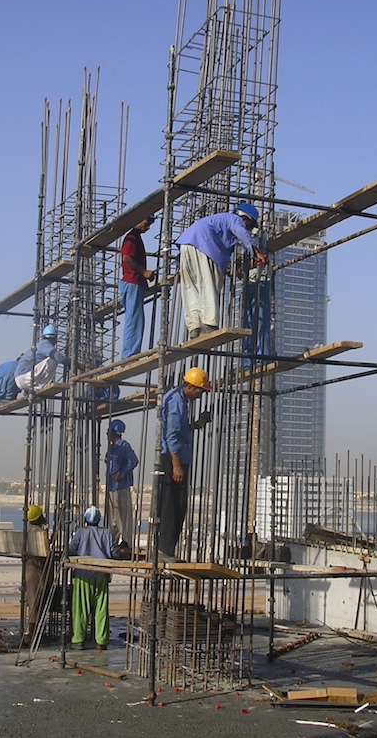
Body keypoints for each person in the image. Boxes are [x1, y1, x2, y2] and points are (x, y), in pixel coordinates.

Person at [176, 202, 268, 340]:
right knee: (208, 284)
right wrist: (256, 252)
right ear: (245, 218)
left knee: (191, 288)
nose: (248, 229)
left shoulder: (219, 223)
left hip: (186, 245)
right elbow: (241, 232)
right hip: (203, 244)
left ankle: (194, 326)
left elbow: (223, 253)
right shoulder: (234, 219)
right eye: (249, 226)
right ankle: (209, 324)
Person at [155, 367, 212, 561]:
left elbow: (180, 430)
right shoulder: (176, 402)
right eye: (200, 391)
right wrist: (177, 465)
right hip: (174, 459)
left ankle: (167, 549)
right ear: (190, 386)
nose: (200, 395)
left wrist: (196, 424)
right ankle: (164, 550)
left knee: (177, 505)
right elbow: (171, 436)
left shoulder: (179, 400)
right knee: (173, 505)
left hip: (176, 457)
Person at [67, 506, 117, 650]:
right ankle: (101, 641)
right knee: (101, 609)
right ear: (99, 519)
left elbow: (71, 550)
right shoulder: (106, 533)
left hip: (83, 576)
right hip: (101, 575)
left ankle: (78, 639)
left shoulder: (81, 533)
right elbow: (114, 552)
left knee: (81, 609)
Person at [119, 215, 156, 358]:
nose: (147, 228)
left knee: (136, 319)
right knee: (134, 319)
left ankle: (130, 353)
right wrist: (144, 272)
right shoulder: (132, 238)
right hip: (132, 282)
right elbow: (127, 258)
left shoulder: (135, 238)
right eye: (146, 224)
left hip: (134, 282)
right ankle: (129, 354)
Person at [104, 419, 138, 557]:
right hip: (112, 486)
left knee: (122, 514)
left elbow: (133, 460)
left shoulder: (124, 446)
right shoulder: (112, 448)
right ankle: (113, 538)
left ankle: (126, 540)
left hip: (120, 486)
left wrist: (122, 474)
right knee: (113, 516)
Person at [22, 505, 51, 640]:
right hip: (36, 571)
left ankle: (34, 633)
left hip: (29, 570)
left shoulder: (27, 532)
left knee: (33, 602)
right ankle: (33, 635)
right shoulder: (39, 533)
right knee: (35, 603)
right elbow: (45, 553)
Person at [14, 324, 69, 392]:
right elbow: (61, 359)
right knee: (53, 358)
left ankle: (31, 389)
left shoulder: (38, 346)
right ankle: (42, 385)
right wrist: (76, 364)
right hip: (27, 377)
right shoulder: (46, 345)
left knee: (50, 358)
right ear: (54, 339)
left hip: (19, 380)